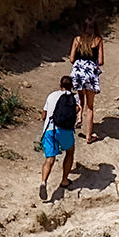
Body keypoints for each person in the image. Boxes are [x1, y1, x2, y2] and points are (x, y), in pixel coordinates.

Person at [37, 75, 81, 203]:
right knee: (70, 151)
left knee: (50, 159)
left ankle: (43, 181)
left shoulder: (51, 95)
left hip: (50, 130)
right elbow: (77, 110)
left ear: (59, 84)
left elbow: (44, 114)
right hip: (65, 130)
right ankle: (64, 180)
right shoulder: (74, 98)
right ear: (72, 86)